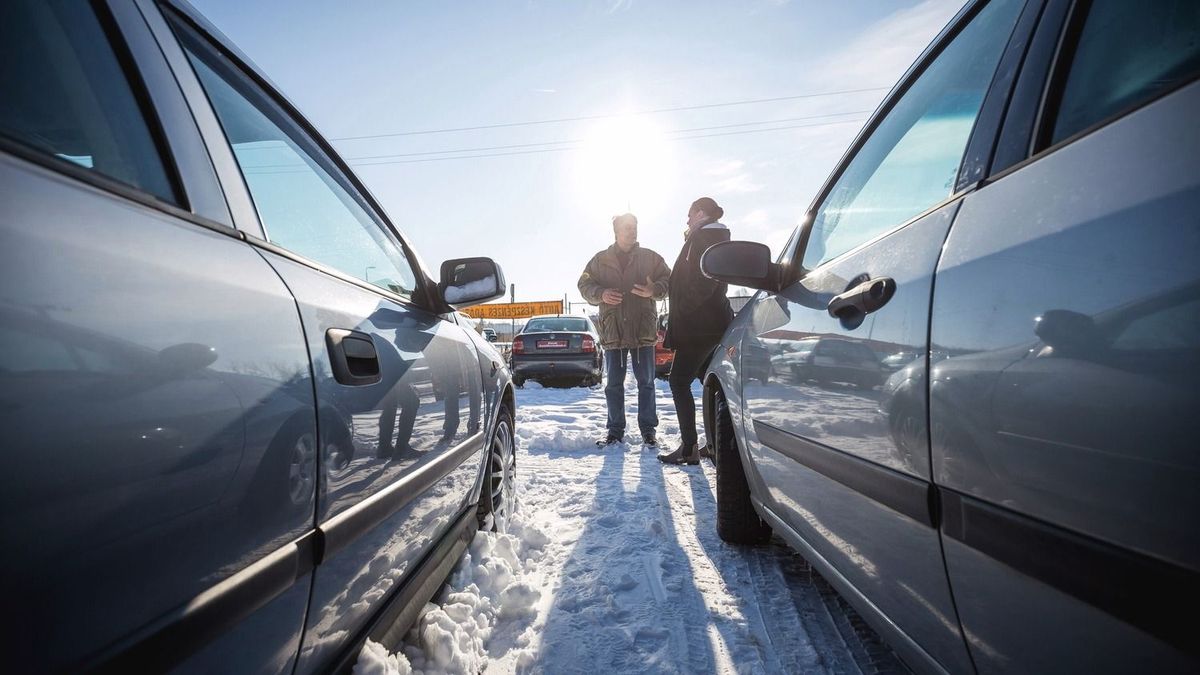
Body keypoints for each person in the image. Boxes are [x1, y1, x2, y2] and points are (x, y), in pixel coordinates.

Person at [578, 213, 671, 447]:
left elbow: (670, 281)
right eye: (628, 227)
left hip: (642, 331)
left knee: (647, 383)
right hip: (614, 332)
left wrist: (655, 290)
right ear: (617, 231)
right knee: (613, 385)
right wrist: (601, 294)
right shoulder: (600, 260)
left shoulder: (651, 258)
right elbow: (584, 284)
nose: (633, 231)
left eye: (635, 226)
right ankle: (615, 431)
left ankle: (648, 430)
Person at [659, 197, 733, 465]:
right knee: (706, 379)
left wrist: (684, 311)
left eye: (689, 214)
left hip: (699, 326)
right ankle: (713, 445)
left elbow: (705, 282)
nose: (687, 220)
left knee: (678, 381)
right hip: (705, 324)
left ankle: (690, 447)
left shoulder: (706, 238)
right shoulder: (707, 237)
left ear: (701, 213)